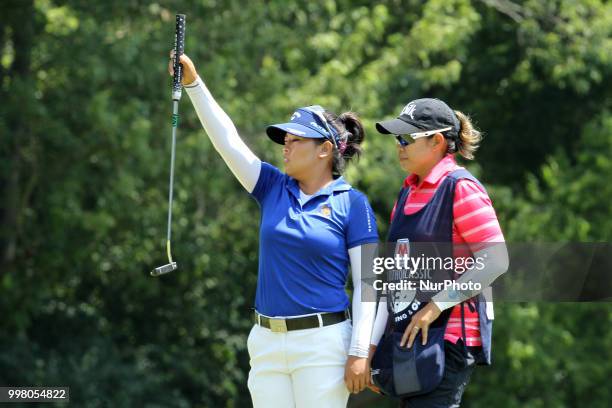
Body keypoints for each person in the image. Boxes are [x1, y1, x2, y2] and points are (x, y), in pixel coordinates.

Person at [167, 53, 379, 407]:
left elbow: (368, 284)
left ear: (325, 150)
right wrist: (194, 84)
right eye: (285, 139)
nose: (286, 146)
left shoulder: (353, 204)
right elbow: (228, 142)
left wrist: (359, 350)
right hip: (265, 341)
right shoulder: (272, 187)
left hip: (323, 343)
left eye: (296, 140)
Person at [369, 98, 509, 407]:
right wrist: (375, 345)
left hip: (448, 342)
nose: (399, 145)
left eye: (407, 138)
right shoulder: (407, 192)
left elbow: (496, 260)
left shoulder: (461, 188)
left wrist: (435, 306)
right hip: (410, 341)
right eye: (397, 138)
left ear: (436, 141)